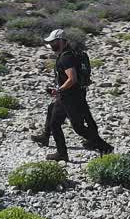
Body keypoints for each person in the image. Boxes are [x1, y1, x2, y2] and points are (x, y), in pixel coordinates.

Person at [34, 29, 113, 162]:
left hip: (69, 97)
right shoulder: (70, 53)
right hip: (75, 94)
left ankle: (103, 147)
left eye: (53, 42)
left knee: (78, 127)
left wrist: (59, 90)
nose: (51, 45)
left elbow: (72, 79)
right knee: (53, 112)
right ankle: (48, 140)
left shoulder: (66, 58)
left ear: (61, 41)